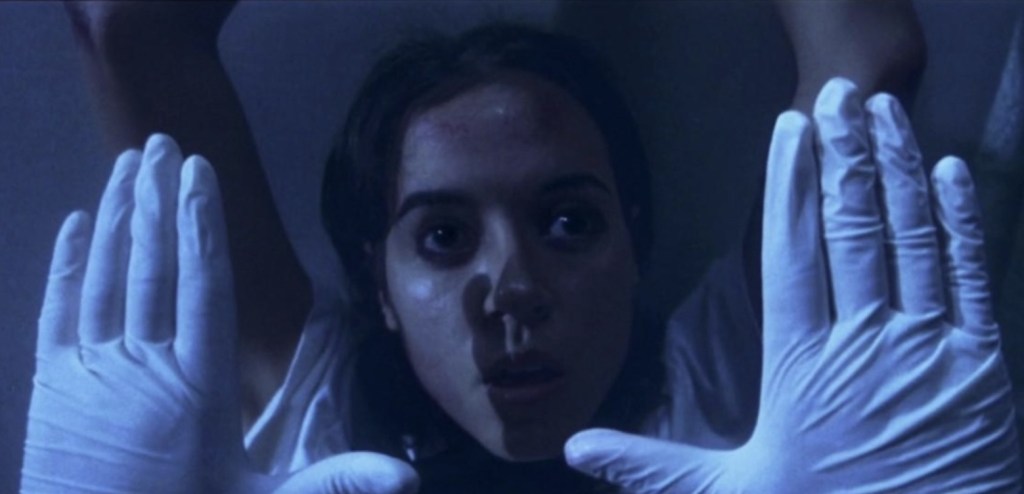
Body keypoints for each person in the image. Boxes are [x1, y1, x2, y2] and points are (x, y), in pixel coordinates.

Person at [20, 2, 1022, 493]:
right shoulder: (325, 406)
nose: (513, 287)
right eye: (444, 236)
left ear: (634, 240)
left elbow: (867, 56)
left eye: (568, 221)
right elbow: (128, 25)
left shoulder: (718, 384)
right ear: (378, 282)